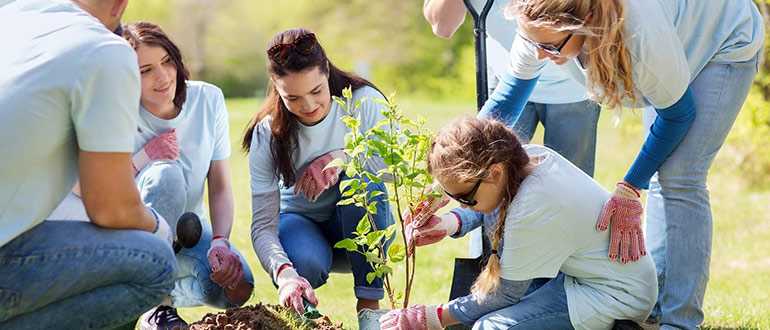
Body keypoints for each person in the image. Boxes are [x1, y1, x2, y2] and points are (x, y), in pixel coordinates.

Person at [477, 1, 763, 328]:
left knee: (680, 177)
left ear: (584, 23)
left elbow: (678, 116)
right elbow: (509, 98)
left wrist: (628, 188)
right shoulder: (539, 30)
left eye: (549, 46)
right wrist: (460, 164)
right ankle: (652, 312)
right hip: (671, 42)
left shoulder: (639, 32)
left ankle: (680, 321)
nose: (540, 54)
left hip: (721, 41)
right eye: (533, 43)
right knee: (663, 175)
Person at [380, 117, 658, 330]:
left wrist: (431, 317)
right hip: (585, 277)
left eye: (464, 197)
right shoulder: (526, 159)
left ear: (494, 172)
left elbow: (504, 295)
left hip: (615, 296)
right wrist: (450, 224)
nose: (461, 204)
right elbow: (491, 203)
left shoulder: (532, 206)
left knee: (488, 327)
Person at [0, 1, 176, 329]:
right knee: (154, 262)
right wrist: (161, 229)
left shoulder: (12, 13)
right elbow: (111, 209)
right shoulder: (104, 50)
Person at [243, 28, 395, 327]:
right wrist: (284, 274)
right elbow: (263, 225)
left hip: (358, 228)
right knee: (305, 263)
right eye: (293, 98)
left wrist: (341, 157)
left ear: (326, 71)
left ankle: (369, 310)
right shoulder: (268, 132)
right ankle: (301, 309)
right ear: (276, 87)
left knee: (363, 183)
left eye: (316, 91)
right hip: (302, 226)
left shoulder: (363, 101)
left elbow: (394, 170)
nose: (309, 106)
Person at [120, 22, 255, 329]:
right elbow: (99, 187)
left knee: (238, 287)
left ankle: (142, 298)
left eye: (167, 62)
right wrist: (146, 156)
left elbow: (220, 185)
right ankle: (159, 307)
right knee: (166, 175)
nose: (163, 76)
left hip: (189, 232)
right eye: (146, 70)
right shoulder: (120, 113)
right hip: (136, 238)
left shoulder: (208, 100)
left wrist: (220, 241)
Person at [423, 0, 599, 176]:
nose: (541, 55)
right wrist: (453, 174)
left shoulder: (620, 45)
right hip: (511, 73)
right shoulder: (529, 48)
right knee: (496, 177)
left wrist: (627, 187)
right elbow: (443, 26)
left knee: (570, 181)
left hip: (577, 87)